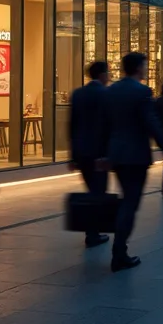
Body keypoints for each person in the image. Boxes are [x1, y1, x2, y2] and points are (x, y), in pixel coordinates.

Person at [103, 53, 163, 272]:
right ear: (137, 68)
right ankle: (119, 253)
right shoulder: (142, 92)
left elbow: (104, 123)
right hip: (135, 155)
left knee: (127, 198)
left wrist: (103, 153)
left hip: (116, 154)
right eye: (144, 66)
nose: (146, 70)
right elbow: (151, 121)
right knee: (130, 203)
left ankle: (119, 249)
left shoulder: (112, 90)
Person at [67, 61, 111, 246]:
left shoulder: (77, 94)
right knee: (98, 191)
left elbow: (72, 125)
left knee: (91, 190)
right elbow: (108, 126)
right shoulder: (106, 94)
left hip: (82, 151)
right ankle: (93, 233)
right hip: (99, 152)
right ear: (102, 75)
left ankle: (91, 232)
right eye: (108, 73)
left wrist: (72, 155)